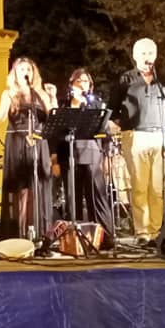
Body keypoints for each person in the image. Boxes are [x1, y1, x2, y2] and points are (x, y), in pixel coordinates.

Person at [52, 68, 115, 246]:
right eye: (78, 81)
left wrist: (107, 157)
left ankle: (104, 236)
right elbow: (55, 134)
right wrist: (54, 159)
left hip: (92, 153)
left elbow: (105, 133)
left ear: (90, 85)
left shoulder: (95, 105)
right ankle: (75, 239)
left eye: (85, 81)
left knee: (97, 196)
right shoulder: (63, 105)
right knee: (73, 198)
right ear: (71, 85)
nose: (82, 84)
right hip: (69, 155)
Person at [116, 38, 165, 244]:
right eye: (143, 53)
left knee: (157, 188)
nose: (147, 57)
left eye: (151, 53)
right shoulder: (126, 79)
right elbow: (114, 106)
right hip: (136, 134)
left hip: (160, 134)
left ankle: (156, 231)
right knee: (139, 186)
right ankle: (142, 232)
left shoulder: (162, 78)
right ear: (135, 56)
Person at [0, 57, 57, 239]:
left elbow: (53, 116)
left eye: (29, 69)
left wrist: (52, 97)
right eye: (22, 69)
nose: (26, 72)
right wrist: (7, 100)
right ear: (15, 73)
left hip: (38, 141)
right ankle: (20, 233)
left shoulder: (40, 93)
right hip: (17, 141)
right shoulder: (9, 93)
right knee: (21, 189)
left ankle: (39, 233)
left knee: (37, 188)